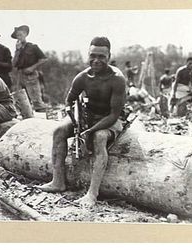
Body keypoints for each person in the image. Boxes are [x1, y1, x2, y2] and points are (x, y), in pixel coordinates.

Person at [38, 37, 126, 207]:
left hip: (110, 119)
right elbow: (69, 100)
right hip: (88, 116)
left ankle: (92, 194)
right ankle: (58, 181)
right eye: (93, 55)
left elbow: (114, 115)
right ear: (88, 55)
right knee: (59, 131)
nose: (96, 60)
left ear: (109, 56)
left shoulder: (117, 79)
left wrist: (90, 131)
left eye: (101, 56)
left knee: (99, 138)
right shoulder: (82, 77)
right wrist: (74, 117)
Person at [11, 25, 48, 112]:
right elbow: (14, 64)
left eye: (20, 35)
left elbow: (44, 59)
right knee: (22, 101)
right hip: (20, 76)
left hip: (31, 75)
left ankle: (41, 119)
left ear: (25, 34)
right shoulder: (18, 49)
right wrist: (17, 50)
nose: (19, 37)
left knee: (37, 101)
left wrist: (32, 67)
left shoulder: (33, 47)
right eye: (17, 36)